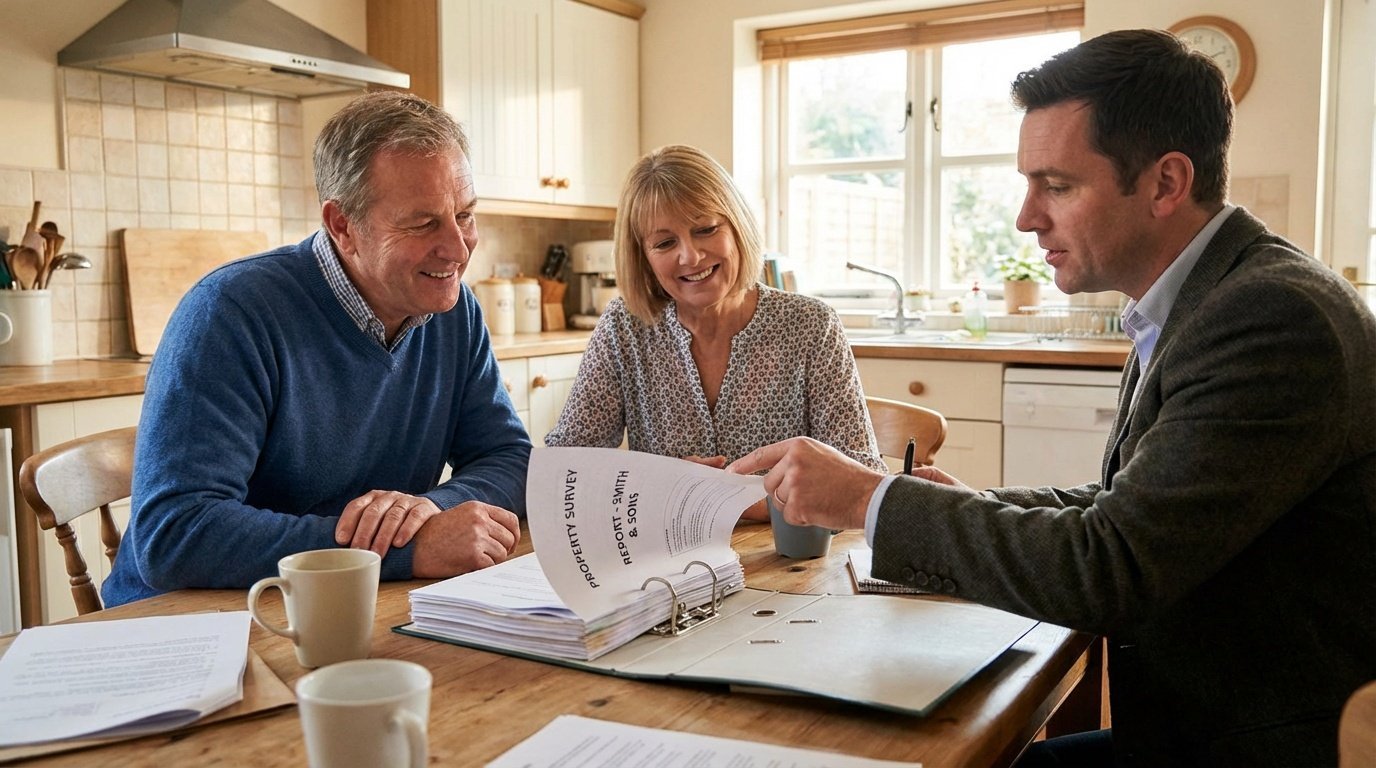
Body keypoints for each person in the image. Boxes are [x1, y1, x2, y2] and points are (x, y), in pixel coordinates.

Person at [730, 29, 1376, 766]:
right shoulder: (1204, 299)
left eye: (1057, 186)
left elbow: (1112, 566)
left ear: (1166, 183)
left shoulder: (1269, 318)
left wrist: (868, 499)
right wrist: (968, 505)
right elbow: (1128, 509)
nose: (1027, 217)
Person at [103, 91, 531, 607]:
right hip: (186, 620)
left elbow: (510, 457)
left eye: (464, 215)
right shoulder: (230, 312)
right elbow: (175, 534)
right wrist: (401, 549)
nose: (458, 250)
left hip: (341, 602)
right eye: (423, 224)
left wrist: (431, 510)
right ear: (343, 225)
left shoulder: (454, 312)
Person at [545, 144, 884, 518]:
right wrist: (655, 486)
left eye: (705, 229)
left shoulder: (811, 325)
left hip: (787, 551)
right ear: (643, 257)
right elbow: (564, 469)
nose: (690, 256)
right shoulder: (624, 327)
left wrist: (715, 499)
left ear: (737, 226)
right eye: (665, 243)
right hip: (665, 552)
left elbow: (863, 481)